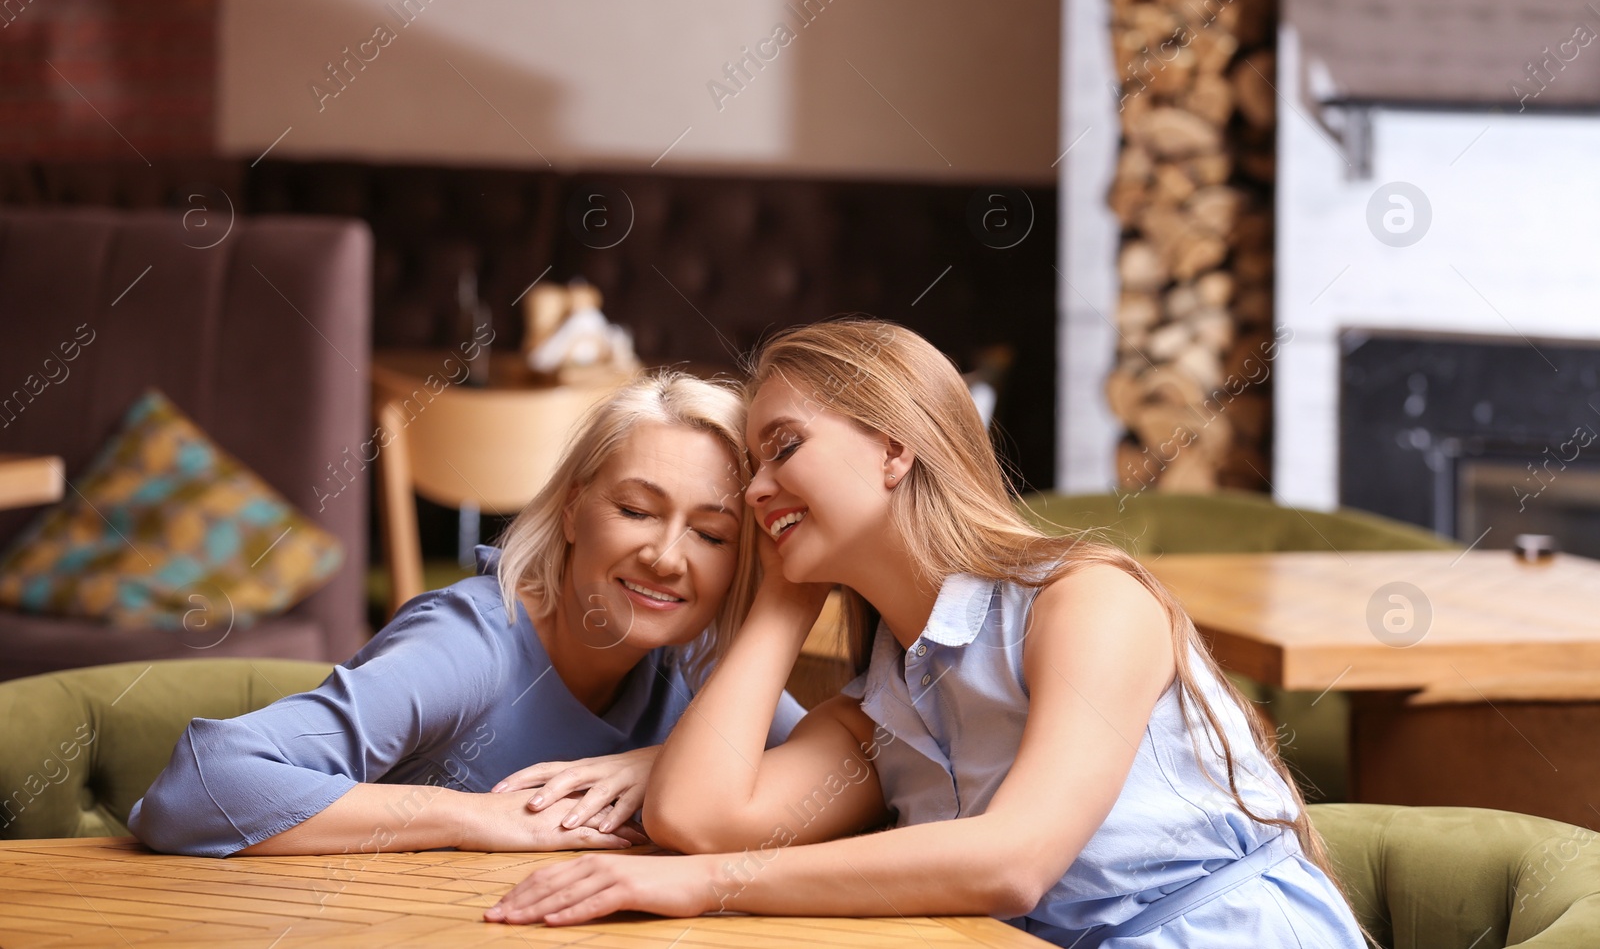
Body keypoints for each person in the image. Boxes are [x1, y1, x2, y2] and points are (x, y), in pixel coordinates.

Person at [484, 320, 1366, 949]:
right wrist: (789, 598)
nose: (755, 490)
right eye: (753, 466)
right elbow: (696, 817)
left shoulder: (1087, 602)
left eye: (783, 448)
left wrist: (695, 888)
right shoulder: (886, 704)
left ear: (895, 448)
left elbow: (1014, 860)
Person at [129, 370, 804, 859]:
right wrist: (474, 817)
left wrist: (664, 762)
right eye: (635, 510)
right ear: (572, 509)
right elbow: (199, 783)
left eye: (712, 534)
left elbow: (865, 761)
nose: (664, 555)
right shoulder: (472, 646)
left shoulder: (696, 663)